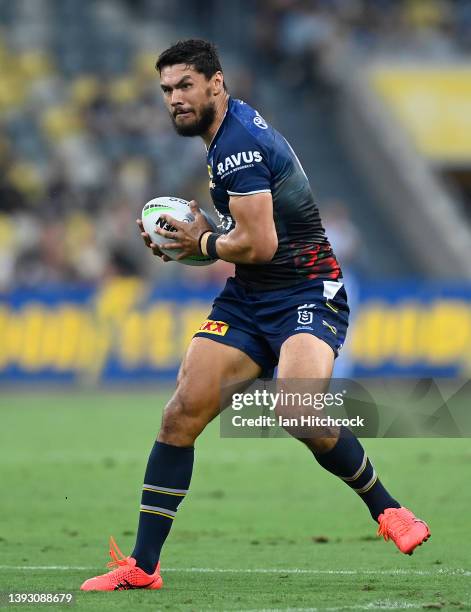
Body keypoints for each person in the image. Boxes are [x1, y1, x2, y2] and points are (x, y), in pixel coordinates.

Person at [81, 39, 430, 592]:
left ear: (216, 83)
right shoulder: (223, 134)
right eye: (167, 90)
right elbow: (243, 245)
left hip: (307, 293)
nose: (175, 99)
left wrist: (203, 242)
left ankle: (388, 510)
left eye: (185, 86)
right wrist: (200, 245)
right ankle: (143, 567)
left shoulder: (236, 146)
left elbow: (261, 243)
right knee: (180, 415)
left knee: (296, 409)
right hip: (249, 299)